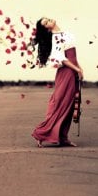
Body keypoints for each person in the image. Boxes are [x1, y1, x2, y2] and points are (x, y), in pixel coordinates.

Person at [31, 17, 83, 147]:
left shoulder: (64, 34)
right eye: (46, 22)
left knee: (70, 105)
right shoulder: (55, 38)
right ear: (47, 28)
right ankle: (41, 133)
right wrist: (76, 69)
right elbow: (62, 58)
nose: (49, 20)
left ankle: (63, 137)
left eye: (48, 19)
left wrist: (79, 68)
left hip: (72, 70)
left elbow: (72, 56)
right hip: (66, 72)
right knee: (62, 103)